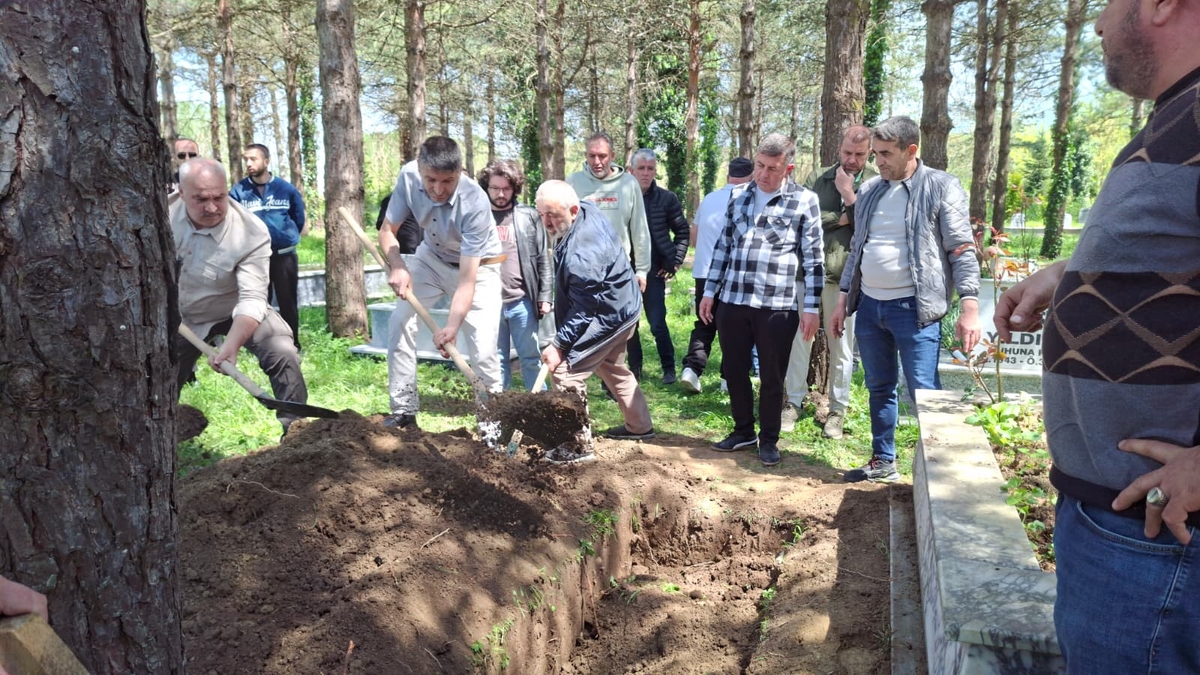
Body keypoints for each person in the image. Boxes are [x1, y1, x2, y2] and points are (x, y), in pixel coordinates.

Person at [994, 1, 1200, 670]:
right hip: (1125, 524)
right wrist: (1077, 275)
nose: (1097, 23)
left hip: (1155, 538)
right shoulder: (1179, 116)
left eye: (1109, 4)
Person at [831, 116, 981, 483]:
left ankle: (939, 473)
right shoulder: (868, 191)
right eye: (875, 154)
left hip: (915, 311)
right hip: (869, 307)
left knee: (924, 392)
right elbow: (856, 250)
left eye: (885, 154)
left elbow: (961, 247)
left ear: (911, 150)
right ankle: (883, 460)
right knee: (879, 386)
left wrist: (970, 306)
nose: (877, 161)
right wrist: (843, 299)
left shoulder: (941, 186)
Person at [698, 134, 824, 467]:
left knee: (772, 376)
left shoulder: (804, 200)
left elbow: (813, 259)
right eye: (759, 166)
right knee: (734, 369)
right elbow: (723, 247)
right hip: (734, 300)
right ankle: (743, 431)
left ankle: (769, 439)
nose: (764, 175)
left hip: (777, 306)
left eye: (772, 168)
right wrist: (710, 292)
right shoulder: (738, 196)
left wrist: (811, 308)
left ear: (788, 168)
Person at [172, 158, 309, 434]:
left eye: (219, 197)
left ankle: (297, 434)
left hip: (235, 307)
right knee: (160, 379)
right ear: (181, 193)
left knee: (283, 353)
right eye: (200, 199)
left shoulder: (251, 231)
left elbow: (253, 300)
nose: (212, 207)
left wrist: (231, 346)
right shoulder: (158, 215)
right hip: (181, 319)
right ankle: (159, 442)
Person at [378, 136, 504, 429]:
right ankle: (404, 411)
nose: (437, 189)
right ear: (420, 170)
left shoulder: (475, 202)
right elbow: (387, 231)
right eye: (430, 179)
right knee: (399, 321)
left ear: (460, 172)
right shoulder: (409, 176)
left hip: (479, 268)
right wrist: (398, 266)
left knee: (484, 351)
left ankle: (492, 424)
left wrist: (452, 327)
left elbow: (466, 280)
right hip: (430, 258)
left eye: (447, 180)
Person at [536, 180, 655, 462]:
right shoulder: (587, 207)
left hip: (609, 315)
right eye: (542, 214)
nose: (547, 222)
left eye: (553, 215)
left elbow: (584, 310)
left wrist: (559, 345)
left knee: (566, 373)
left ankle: (577, 446)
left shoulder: (582, 255)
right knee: (611, 365)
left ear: (573, 210)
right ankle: (640, 426)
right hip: (624, 305)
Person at [780, 125, 877, 438]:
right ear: (839, 148)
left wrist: (850, 197)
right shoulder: (817, 178)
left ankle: (837, 411)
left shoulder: (877, 181)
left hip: (846, 278)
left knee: (842, 348)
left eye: (859, 155)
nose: (851, 159)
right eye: (847, 152)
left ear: (870, 153)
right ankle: (792, 404)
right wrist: (842, 218)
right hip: (808, 273)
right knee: (799, 341)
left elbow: (871, 226)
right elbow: (800, 220)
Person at [679, 158, 754, 394]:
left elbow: (694, 236)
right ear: (751, 176)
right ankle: (727, 378)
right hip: (734, 275)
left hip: (703, 272)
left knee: (704, 322)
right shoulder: (750, 200)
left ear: (728, 176)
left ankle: (691, 369)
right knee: (736, 329)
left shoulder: (710, 198)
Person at [477, 159, 553, 391]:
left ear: (515, 188)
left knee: (530, 357)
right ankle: (500, 412)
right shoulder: (476, 217)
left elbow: (543, 257)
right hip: (489, 304)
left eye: (506, 188)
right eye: (495, 188)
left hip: (521, 301)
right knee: (496, 361)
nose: (501, 194)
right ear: (486, 188)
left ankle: (540, 410)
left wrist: (545, 295)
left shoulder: (527, 216)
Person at [229, 143, 308, 351]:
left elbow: (298, 219)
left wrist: (285, 238)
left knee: (287, 301)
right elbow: (233, 222)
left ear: (266, 161)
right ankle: (262, 344)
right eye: (246, 159)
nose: (248, 163)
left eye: (253, 159)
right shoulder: (238, 191)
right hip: (255, 259)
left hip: (284, 257)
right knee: (257, 302)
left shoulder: (286, 189)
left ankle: (293, 342)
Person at [629, 148, 689, 385]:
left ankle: (669, 369)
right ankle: (634, 369)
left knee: (657, 323)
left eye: (650, 168)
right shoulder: (623, 197)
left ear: (655, 171)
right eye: (641, 168)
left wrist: (674, 261)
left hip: (654, 270)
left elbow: (682, 231)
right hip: (625, 270)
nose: (645, 173)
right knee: (628, 324)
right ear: (631, 170)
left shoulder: (667, 199)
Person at [565, 132, 651, 296]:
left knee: (620, 319)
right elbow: (563, 230)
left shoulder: (629, 183)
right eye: (592, 156)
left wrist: (641, 271)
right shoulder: (573, 182)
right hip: (582, 272)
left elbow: (640, 230)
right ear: (586, 155)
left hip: (618, 270)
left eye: (602, 156)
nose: (597, 162)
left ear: (612, 155)